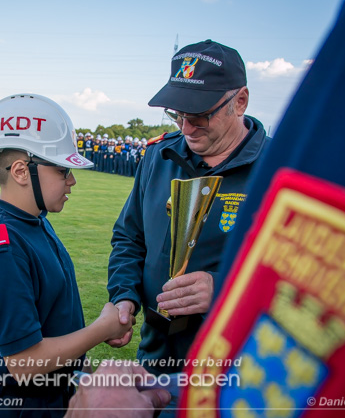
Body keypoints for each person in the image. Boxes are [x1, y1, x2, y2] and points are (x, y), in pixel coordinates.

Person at [0, 93, 133, 417]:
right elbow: (24, 363)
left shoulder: (33, 220)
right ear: (21, 172)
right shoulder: (1, 247)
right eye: (62, 169)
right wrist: (101, 329)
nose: (72, 181)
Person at [107, 40, 270, 375]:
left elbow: (302, 276)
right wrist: (124, 294)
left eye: (199, 115)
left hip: (233, 361)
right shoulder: (158, 156)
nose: (186, 128)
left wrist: (224, 288)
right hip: (156, 351)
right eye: (177, 114)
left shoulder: (279, 169)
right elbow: (129, 236)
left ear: (240, 101)